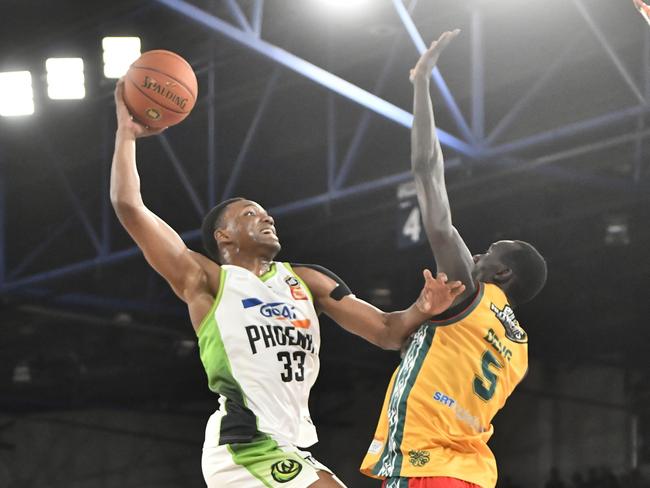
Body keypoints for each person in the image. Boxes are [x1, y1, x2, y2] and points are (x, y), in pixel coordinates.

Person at [110, 79, 466, 488]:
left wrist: (422, 308)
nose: (266, 218)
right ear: (222, 237)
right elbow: (129, 207)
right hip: (243, 446)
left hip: (290, 446)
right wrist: (127, 135)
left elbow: (387, 332)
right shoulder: (207, 279)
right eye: (249, 215)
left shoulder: (307, 280)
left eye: (266, 214)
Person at [360, 30, 548, 488]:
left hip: (426, 466)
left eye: (486, 254)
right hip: (471, 474)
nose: (475, 254)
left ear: (501, 273)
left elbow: (429, 176)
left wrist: (421, 84)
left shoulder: (470, 293)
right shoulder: (518, 349)